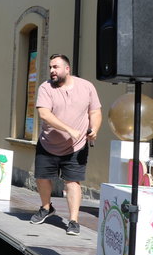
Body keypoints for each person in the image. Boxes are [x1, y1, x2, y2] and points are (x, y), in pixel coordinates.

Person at [30, 54, 102, 236]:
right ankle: (46, 208)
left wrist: (94, 128)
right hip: (48, 143)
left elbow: (95, 111)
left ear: (67, 69)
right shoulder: (46, 87)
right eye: (51, 67)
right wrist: (69, 129)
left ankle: (73, 221)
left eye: (56, 67)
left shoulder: (86, 87)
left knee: (72, 182)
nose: (52, 71)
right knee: (42, 178)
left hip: (76, 146)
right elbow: (44, 114)